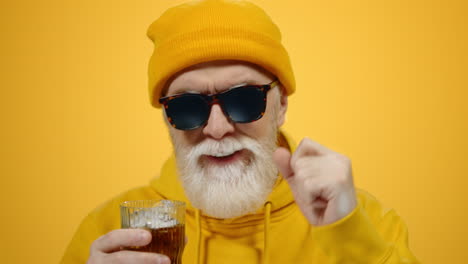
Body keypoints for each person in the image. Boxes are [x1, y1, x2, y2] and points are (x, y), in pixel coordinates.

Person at [61, 0, 419, 263]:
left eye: (245, 99)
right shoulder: (109, 233)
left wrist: (351, 241)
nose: (217, 129)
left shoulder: (364, 222)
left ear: (282, 107)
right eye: (188, 106)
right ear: (167, 118)